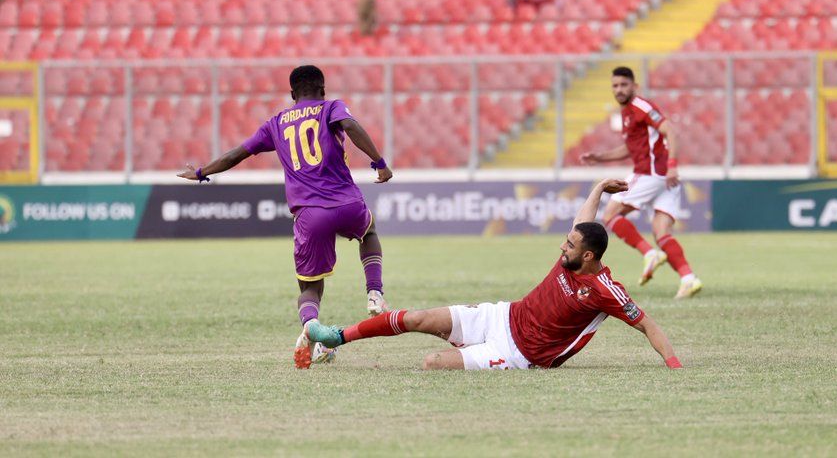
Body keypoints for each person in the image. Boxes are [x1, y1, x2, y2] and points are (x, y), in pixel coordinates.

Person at [302, 178, 685, 371]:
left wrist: (674, 366)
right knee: (417, 317)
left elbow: (648, 325)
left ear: (588, 256)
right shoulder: (575, 251)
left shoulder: (604, 290)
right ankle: (336, 338)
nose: (561, 248)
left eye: (568, 247)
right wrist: (599, 187)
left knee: (431, 364)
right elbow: (584, 218)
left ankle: (466, 352)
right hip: (501, 315)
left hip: (515, 354)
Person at [176, 65, 394, 369]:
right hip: (346, 202)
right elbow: (352, 126)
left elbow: (238, 153)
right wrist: (379, 162)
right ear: (323, 90)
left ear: (293, 94)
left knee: (309, 286)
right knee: (368, 233)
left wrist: (201, 173)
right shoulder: (331, 107)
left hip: (309, 214)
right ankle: (374, 294)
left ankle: (311, 326)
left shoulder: (276, 122)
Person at [580, 66, 703, 300]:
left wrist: (674, 164)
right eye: (615, 86)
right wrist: (600, 157)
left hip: (651, 173)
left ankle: (649, 254)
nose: (619, 89)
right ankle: (688, 279)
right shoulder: (626, 112)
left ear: (634, 86)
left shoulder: (641, 107)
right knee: (661, 231)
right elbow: (631, 147)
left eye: (624, 85)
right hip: (665, 179)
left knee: (610, 214)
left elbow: (671, 131)